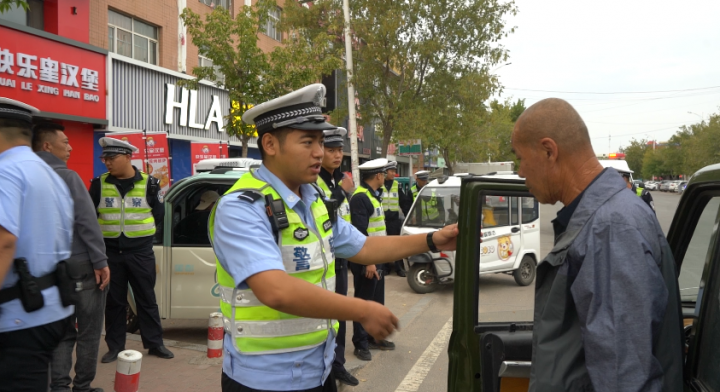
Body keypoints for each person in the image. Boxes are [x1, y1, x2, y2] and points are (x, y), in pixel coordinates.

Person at [208, 84, 459, 392]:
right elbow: (275, 291)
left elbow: (363, 246)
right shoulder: (241, 207)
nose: (319, 152)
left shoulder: (314, 199)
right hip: (265, 379)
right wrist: (362, 310)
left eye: (320, 141)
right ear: (271, 144)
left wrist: (434, 240)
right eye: (307, 142)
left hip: (319, 370)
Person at [510, 98, 683, 391]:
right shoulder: (602, 220)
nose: (520, 171)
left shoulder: (610, 229)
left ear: (549, 151)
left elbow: (623, 379)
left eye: (520, 158)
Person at [0, 98, 74, 391]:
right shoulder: (49, 173)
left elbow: (5, 242)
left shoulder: (5, 171)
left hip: (18, 316)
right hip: (52, 308)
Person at [32, 122, 110, 392]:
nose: (70, 146)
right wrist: (100, 261)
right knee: (88, 331)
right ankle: (83, 386)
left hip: (47, 272)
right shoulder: (67, 177)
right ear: (47, 146)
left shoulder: (23, 177)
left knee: (62, 332)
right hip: (81, 268)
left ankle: (59, 386)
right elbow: (87, 222)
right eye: (65, 142)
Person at [89, 137, 173, 362]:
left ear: (128, 157)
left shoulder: (151, 184)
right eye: (104, 158)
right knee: (114, 301)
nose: (107, 162)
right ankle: (115, 347)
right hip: (110, 253)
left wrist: (141, 239)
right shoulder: (98, 184)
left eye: (111, 158)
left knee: (147, 298)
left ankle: (155, 344)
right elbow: (90, 218)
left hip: (140, 252)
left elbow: (159, 215)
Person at [316, 127, 358, 387]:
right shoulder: (317, 181)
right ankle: (327, 367)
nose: (336, 155)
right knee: (325, 316)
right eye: (331, 150)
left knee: (339, 315)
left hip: (340, 259)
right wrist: (343, 192)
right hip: (322, 261)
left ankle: (338, 364)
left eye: (339, 150)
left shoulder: (338, 180)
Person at [348, 158, 395, 361]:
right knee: (364, 301)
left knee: (377, 300)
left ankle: (374, 337)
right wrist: (369, 262)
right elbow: (360, 232)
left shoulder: (374, 195)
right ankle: (360, 343)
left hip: (378, 257)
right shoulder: (360, 198)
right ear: (377, 176)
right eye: (383, 174)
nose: (385, 177)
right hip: (368, 260)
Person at [381, 161, 406, 277]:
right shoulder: (380, 185)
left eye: (394, 171)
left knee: (396, 245)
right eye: (391, 171)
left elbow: (404, 202)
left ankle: (399, 268)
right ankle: (385, 267)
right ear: (385, 172)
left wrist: (408, 216)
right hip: (382, 220)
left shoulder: (397, 185)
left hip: (394, 220)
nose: (393, 173)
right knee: (384, 244)